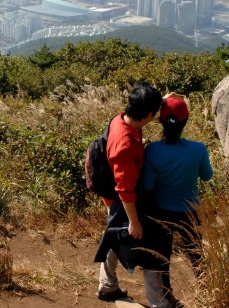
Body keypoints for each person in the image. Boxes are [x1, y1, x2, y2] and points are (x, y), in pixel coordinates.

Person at [141, 96, 214, 308]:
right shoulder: (198, 149)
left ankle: (167, 295)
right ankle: (207, 289)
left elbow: (147, 186)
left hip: (161, 211)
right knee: (196, 253)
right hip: (189, 211)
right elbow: (207, 176)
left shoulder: (152, 150)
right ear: (186, 121)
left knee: (163, 256)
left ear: (161, 121)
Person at [95, 82, 163, 302]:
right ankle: (107, 286)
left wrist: (161, 100)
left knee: (114, 235)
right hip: (119, 198)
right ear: (149, 114)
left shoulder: (122, 118)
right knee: (117, 235)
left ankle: (107, 285)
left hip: (116, 193)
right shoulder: (124, 144)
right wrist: (134, 222)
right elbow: (124, 189)